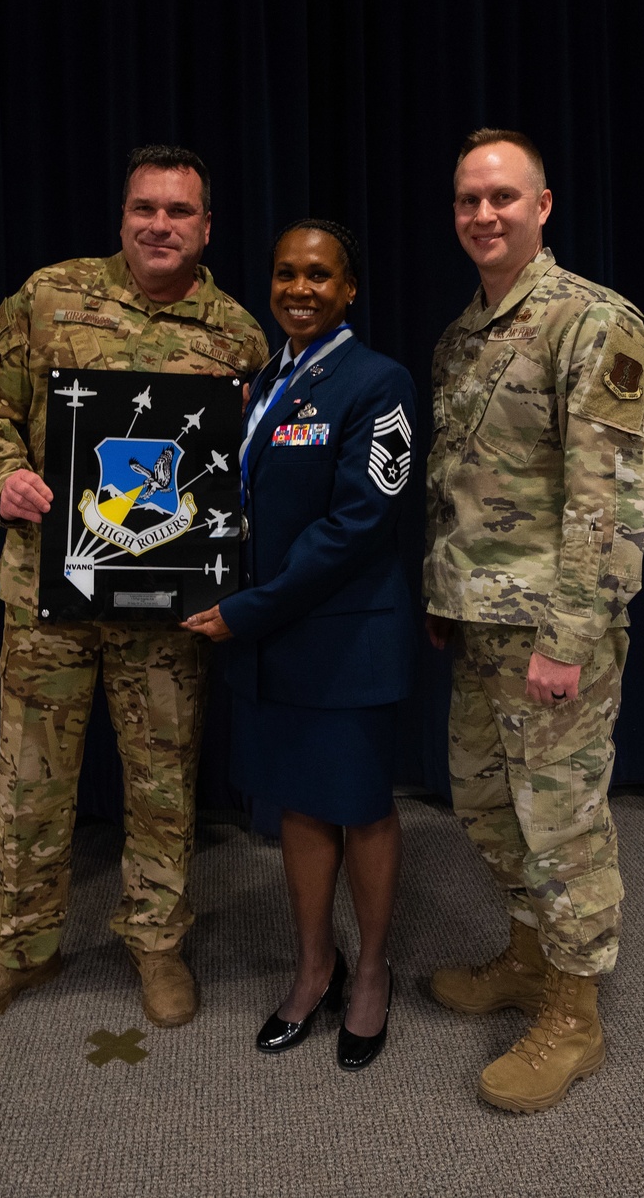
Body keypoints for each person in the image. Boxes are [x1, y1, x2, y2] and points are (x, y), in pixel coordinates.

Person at [0, 144, 269, 1031]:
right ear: (123, 216)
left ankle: (156, 945)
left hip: (167, 612)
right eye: (144, 209)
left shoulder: (238, 335)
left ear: (207, 227)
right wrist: (2, 478)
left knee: (164, 785)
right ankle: (20, 951)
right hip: (50, 593)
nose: (159, 225)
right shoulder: (48, 298)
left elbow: (248, 476)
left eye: (179, 212)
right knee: (31, 783)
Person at [423, 129, 644, 1111]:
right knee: (482, 803)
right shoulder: (463, 334)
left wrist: (569, 635)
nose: (484, 213)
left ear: (543, 205)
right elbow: (461, 482)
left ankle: (573, 1013)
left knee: (561, 824)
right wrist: (444, 596)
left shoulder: (591, 321)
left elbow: (607, 496)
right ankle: (527, 952)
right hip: (478, 620)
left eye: (503, 197)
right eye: (469, 198)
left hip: (553, 632)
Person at [183, 219, 416, 1071]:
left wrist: (247, 610)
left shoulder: (377, 382)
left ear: (349, 288)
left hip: (341, 641)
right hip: (274, 639)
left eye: (320, 275)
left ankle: (374, 974)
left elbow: (356, 525)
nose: (300, 289)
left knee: (359, 806)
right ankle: (316, 964)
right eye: (285, 273)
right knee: (299, 806)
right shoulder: (263, 383)